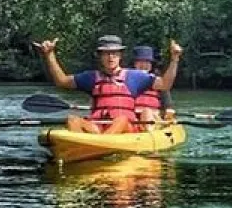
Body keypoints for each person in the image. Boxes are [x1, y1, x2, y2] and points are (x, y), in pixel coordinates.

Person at [34, 35, 183, 134]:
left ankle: (98, 146)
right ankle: (84, 149)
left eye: (115, 53)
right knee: (72, 119)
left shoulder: (135, 77)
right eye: (106, 53)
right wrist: (49, 55)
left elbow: (165, 84)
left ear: (120, 56)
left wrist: (174, 59)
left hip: (125, 129)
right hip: (98, 128)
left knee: (122, 120)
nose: (111, 57)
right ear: (100, 56)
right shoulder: (91, 78)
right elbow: (62, 81)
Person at [131, 45, 176, 125]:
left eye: (147, 62)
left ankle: (148, 132)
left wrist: (168, 112)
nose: (144, 65)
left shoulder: (158, 82)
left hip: (154, 117)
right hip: (133, 118)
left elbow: (168, 106)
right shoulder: (127, 80)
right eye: (140, 61)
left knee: (147, 112)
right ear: (134, 64)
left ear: (151, 64)